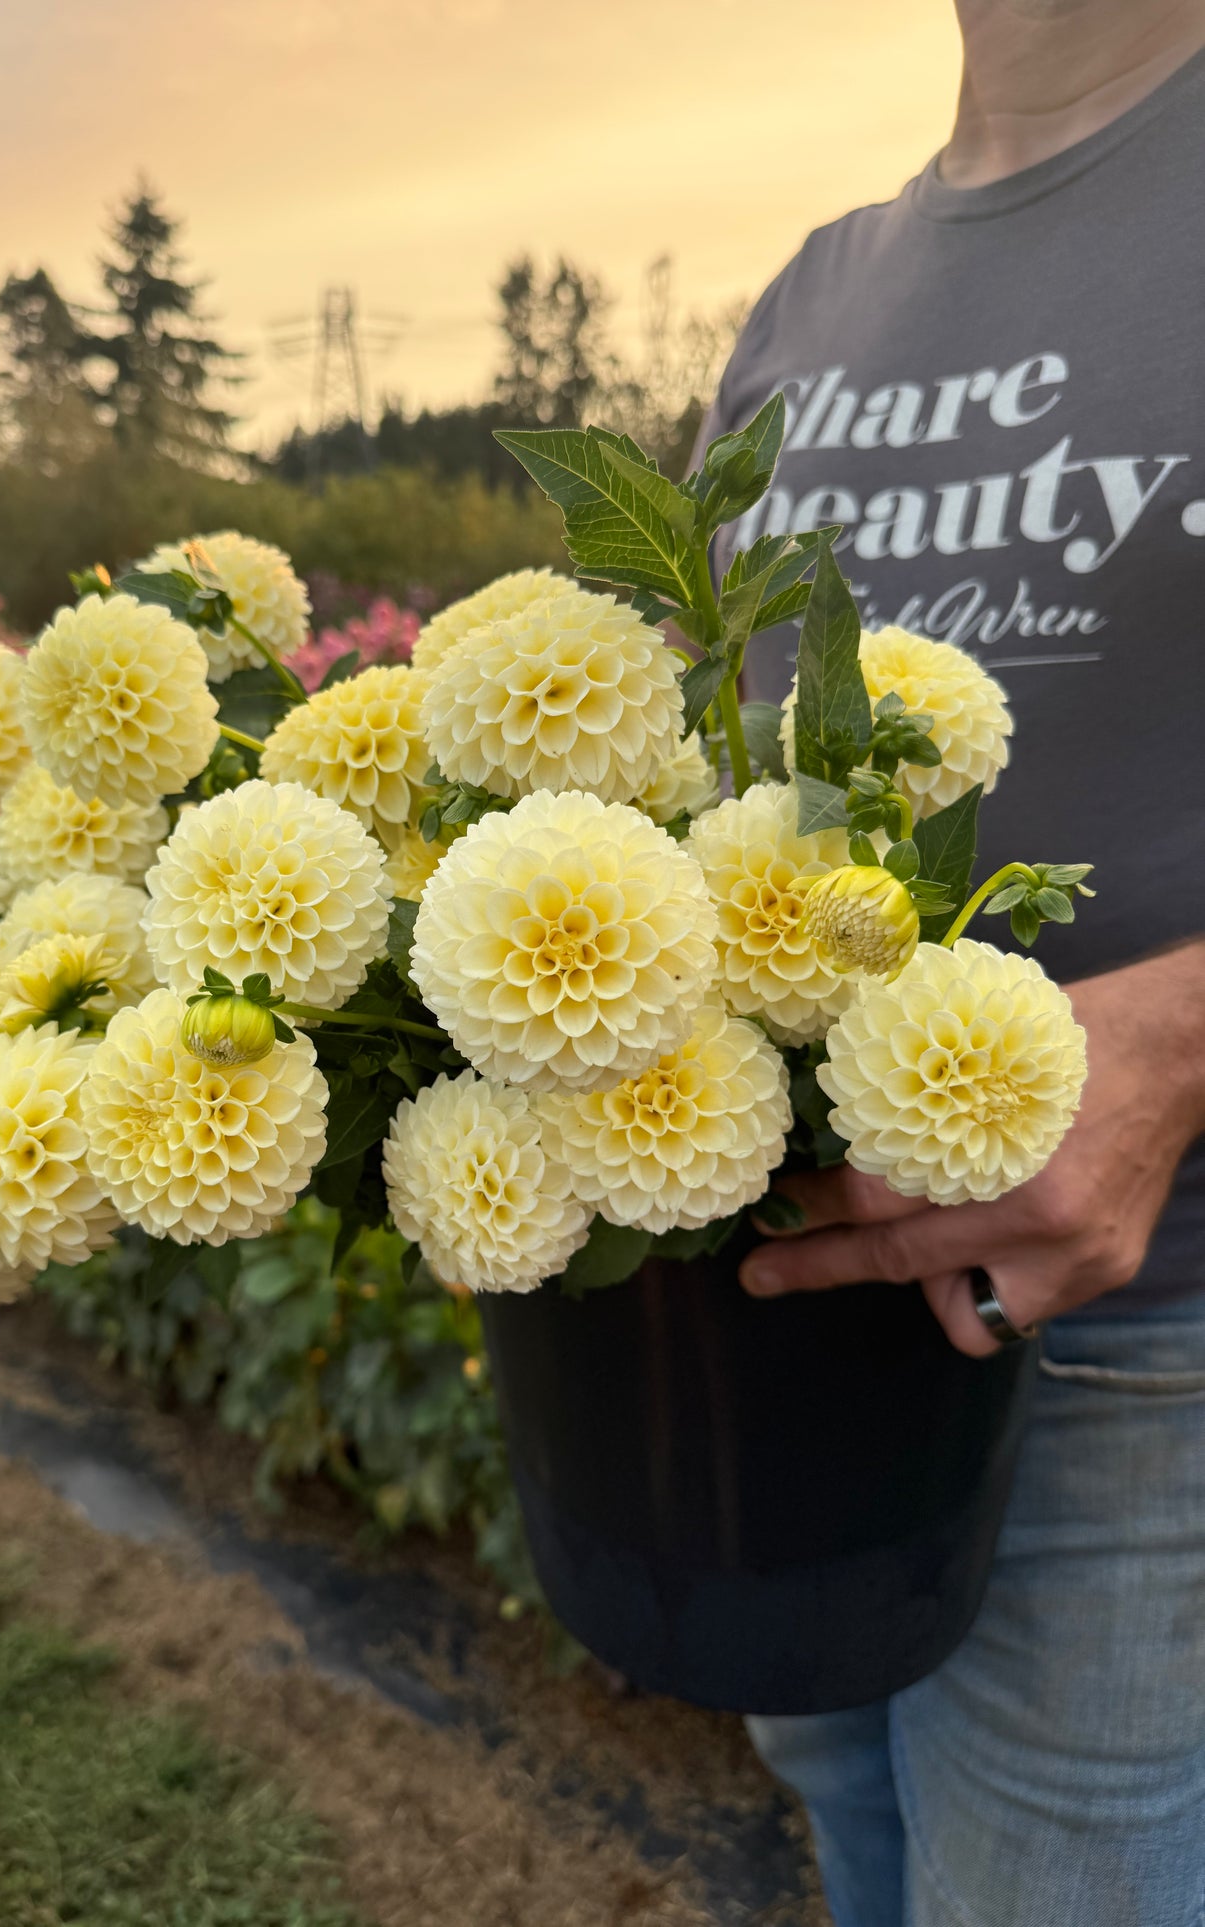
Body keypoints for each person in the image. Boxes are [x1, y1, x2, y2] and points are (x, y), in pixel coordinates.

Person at [696, 3, 1205, 1921]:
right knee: (857, 1828)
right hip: (805, 1299)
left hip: (1146, 1335)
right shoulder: (818, 293)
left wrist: (1175, 1038)